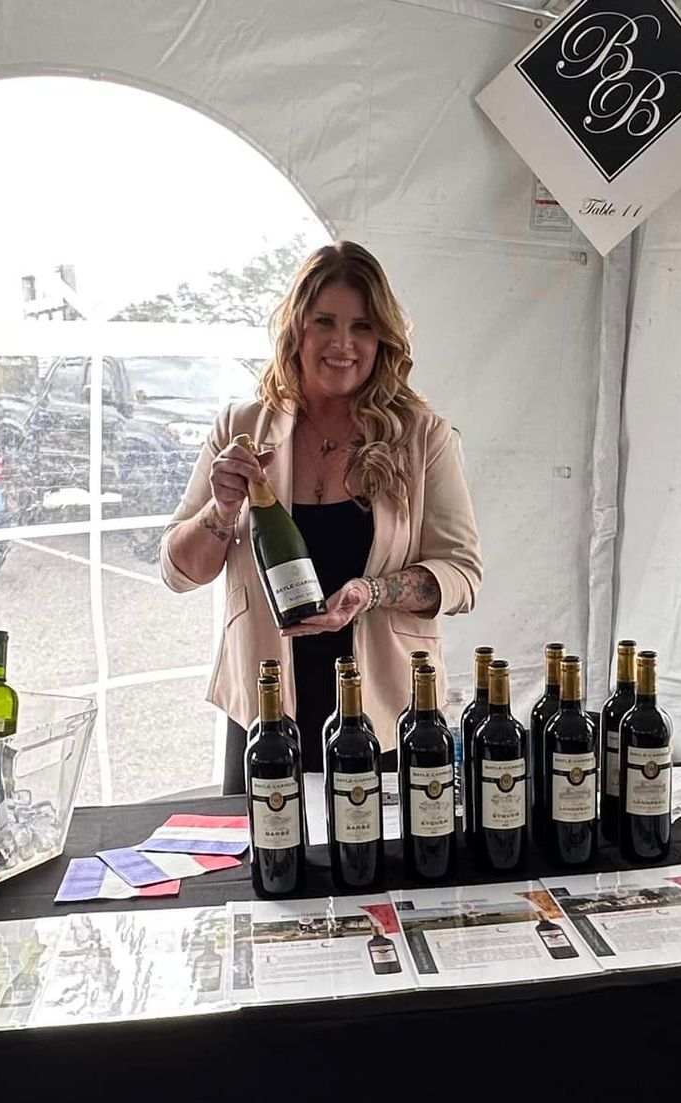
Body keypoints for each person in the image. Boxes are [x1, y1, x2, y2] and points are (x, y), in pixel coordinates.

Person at [160, 241, 482, 791]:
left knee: (378, 871)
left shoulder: (422, 436)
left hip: (384, 715)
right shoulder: (241, 426)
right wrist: (222, 507)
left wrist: (371, 593)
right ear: (297, 331)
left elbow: (462, 575)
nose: (342, 343)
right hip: (267, 708)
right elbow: (178, 572)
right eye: (324, 322)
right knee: (265, 868)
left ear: (382, 338)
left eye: (361, 326)